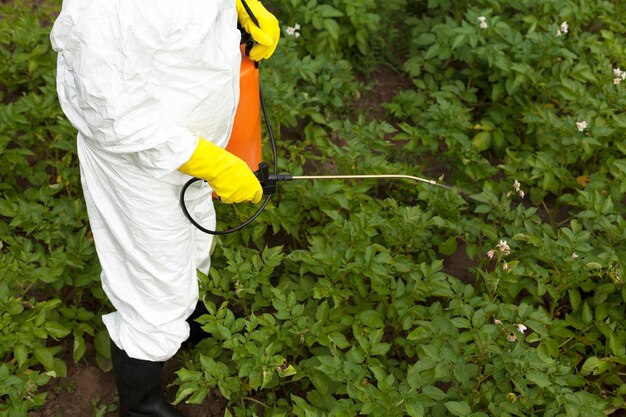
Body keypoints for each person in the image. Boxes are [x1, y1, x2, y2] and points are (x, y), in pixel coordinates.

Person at [50, 1, 280, 416]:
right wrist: (208, 162)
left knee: (192, 243)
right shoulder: (106, 11)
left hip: (192, 140)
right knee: (153, 287)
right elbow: (114, 113)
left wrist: (241, 8)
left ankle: (187, 317)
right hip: (137, 163)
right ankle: (141, 405)